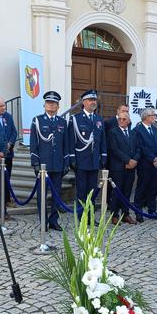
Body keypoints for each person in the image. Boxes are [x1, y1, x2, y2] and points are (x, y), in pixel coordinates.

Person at [29, 91, 69, 231]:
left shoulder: (62, 122)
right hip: (43, 165)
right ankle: (43, 221)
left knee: (56, 195)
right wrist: (34, 162)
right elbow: (33, 143)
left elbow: (66, 144)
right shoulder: (37, 120)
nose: (51, 105)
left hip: (57, 164)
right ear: (44, 105)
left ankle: (53, 220)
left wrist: (66, 163)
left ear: (58, 106)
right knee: (42, 195)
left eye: (54, 103)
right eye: (48, 103)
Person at [68, 89, 107, 215]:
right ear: (83, 102)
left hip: (94, 161)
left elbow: (102, 140)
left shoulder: (99, 119)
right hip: (81, 160)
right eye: (90, 100)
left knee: (93, 190)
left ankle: (90, 216)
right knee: (81, 191)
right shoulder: (75, 119)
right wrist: (72, 158)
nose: (93, 102)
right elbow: (71, 141)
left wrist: (104, 155)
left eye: (94, 100)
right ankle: (81, 217)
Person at [107, 111, 139, 225]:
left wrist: (134, 160)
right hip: (118, 168)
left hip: (131, 168)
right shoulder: (113, 132)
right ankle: (114, 215)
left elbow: (138, 149)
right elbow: (114, 150)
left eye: (124, 119)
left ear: (129, 121)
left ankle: (126, 214)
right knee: (116, 192)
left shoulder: (133, 133)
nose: (121, 121)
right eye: (119, 119)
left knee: (127, 192)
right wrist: (127, 160)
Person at [133, 107, 157, 222]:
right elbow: (141, 147)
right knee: (141, 188)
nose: (155, 117)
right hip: (145, 165)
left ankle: (152, 210)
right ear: (146, 117)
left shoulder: (156, 130)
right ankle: (138, 212)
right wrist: (153, 159)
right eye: (153, 115)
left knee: (153, 188)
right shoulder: (137, 130)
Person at [0, 97, 18, 211]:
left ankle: (6, 200)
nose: (4, 107)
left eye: (4, 105)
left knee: (7, 177)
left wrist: (10, 143)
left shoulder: (8, 116)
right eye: (1, 106)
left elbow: (14, 132)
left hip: (8, 154)